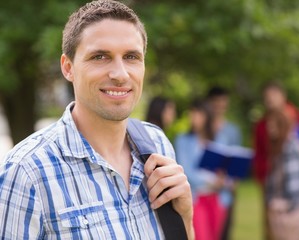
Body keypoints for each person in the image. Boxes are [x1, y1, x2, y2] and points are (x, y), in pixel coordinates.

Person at [0, 1, 194, 239]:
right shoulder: (27, 171)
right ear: (68, 67)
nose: (120, 74)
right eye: (100, 56)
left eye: (131, 56)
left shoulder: (157, 144)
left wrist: (184, 216)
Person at [253, 82, 299, 240]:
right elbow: (260, 154)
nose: (270, 100)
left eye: (273, 95)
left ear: (283, 95)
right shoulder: (262, 124)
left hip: (289, 196)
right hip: (271, 183)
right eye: (267, 97)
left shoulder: (298, 119)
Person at [175, 100, 228, 240]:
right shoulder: (182, 140)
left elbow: (225, 168)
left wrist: (225, 180)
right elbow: (186, 172)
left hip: (217, 199)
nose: (193, 118)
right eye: (191, 114)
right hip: (196, 198)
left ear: (206, 116)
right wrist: (212, 182)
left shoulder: (219, 139)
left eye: (197, 114)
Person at [206, 86, 242, 239]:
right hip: (204, 190)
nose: (220, 106)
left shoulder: (233, 131)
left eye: (223, 102)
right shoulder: (203, 128)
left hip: (226, 192)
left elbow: (238, 160)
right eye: (216, 102)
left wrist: (233, 181)